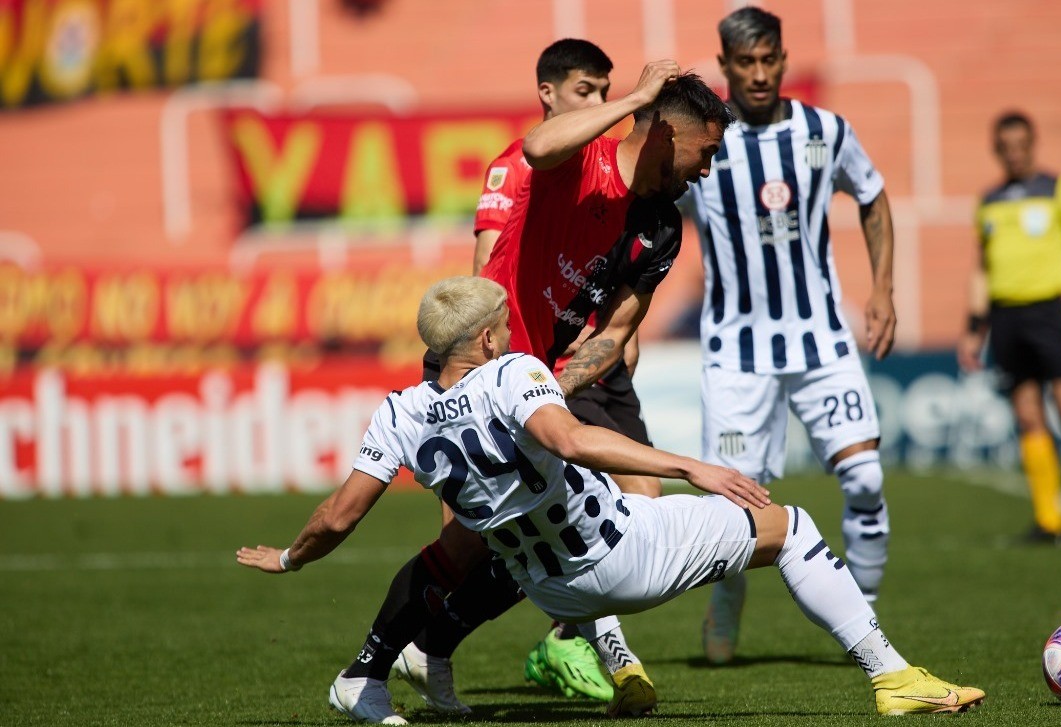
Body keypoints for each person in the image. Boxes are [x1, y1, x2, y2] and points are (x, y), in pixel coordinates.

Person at [237, 276, 987, 722]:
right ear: (487, 339)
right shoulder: (512, 372)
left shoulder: (398, 412)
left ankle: (584, 663)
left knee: (470, 540)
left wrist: (292, 557)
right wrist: (691, 466)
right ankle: (893, 677)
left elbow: (339, 515)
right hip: (625, 554)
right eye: (503, 324)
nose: (509, 331)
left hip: (551, 588)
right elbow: (568, 439)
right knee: (791, 526)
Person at [316, 61, 735, 722]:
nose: (707, 170)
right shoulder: (576, 159)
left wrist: (548, 393)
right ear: (666, 133)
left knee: (558, 527)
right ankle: (372, 668)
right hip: (484, 360)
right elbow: (536, 149)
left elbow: (615, 332)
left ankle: (443, 651)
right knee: (473, 541)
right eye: (705, 153)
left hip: (543, 376)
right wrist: (636, 98)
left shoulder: (661, 226)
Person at [681, 6, 899, 665]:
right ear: (724, 66)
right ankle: (726, 601)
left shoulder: (824, 131)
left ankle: (864, 615)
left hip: (820, 339)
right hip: (737, 352)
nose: (758, 73)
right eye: (744, 62)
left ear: (782, 59)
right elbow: (651, 207)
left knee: (865, 478)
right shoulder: (704, 141)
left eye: (768, 59)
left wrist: (882, 288)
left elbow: (872, 194)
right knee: (734, 505)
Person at [958, 111, 1061, 546]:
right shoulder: (988, 201)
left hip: (1049, 313)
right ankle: (1050, 522)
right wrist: (974, 327)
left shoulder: (1059, 189)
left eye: (1021, 145)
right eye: (1005, 147)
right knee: (1028, 415)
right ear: (997, 150)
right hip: (1005, 318)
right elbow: (981, 268)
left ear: (1033, 144)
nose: (1014, 154)